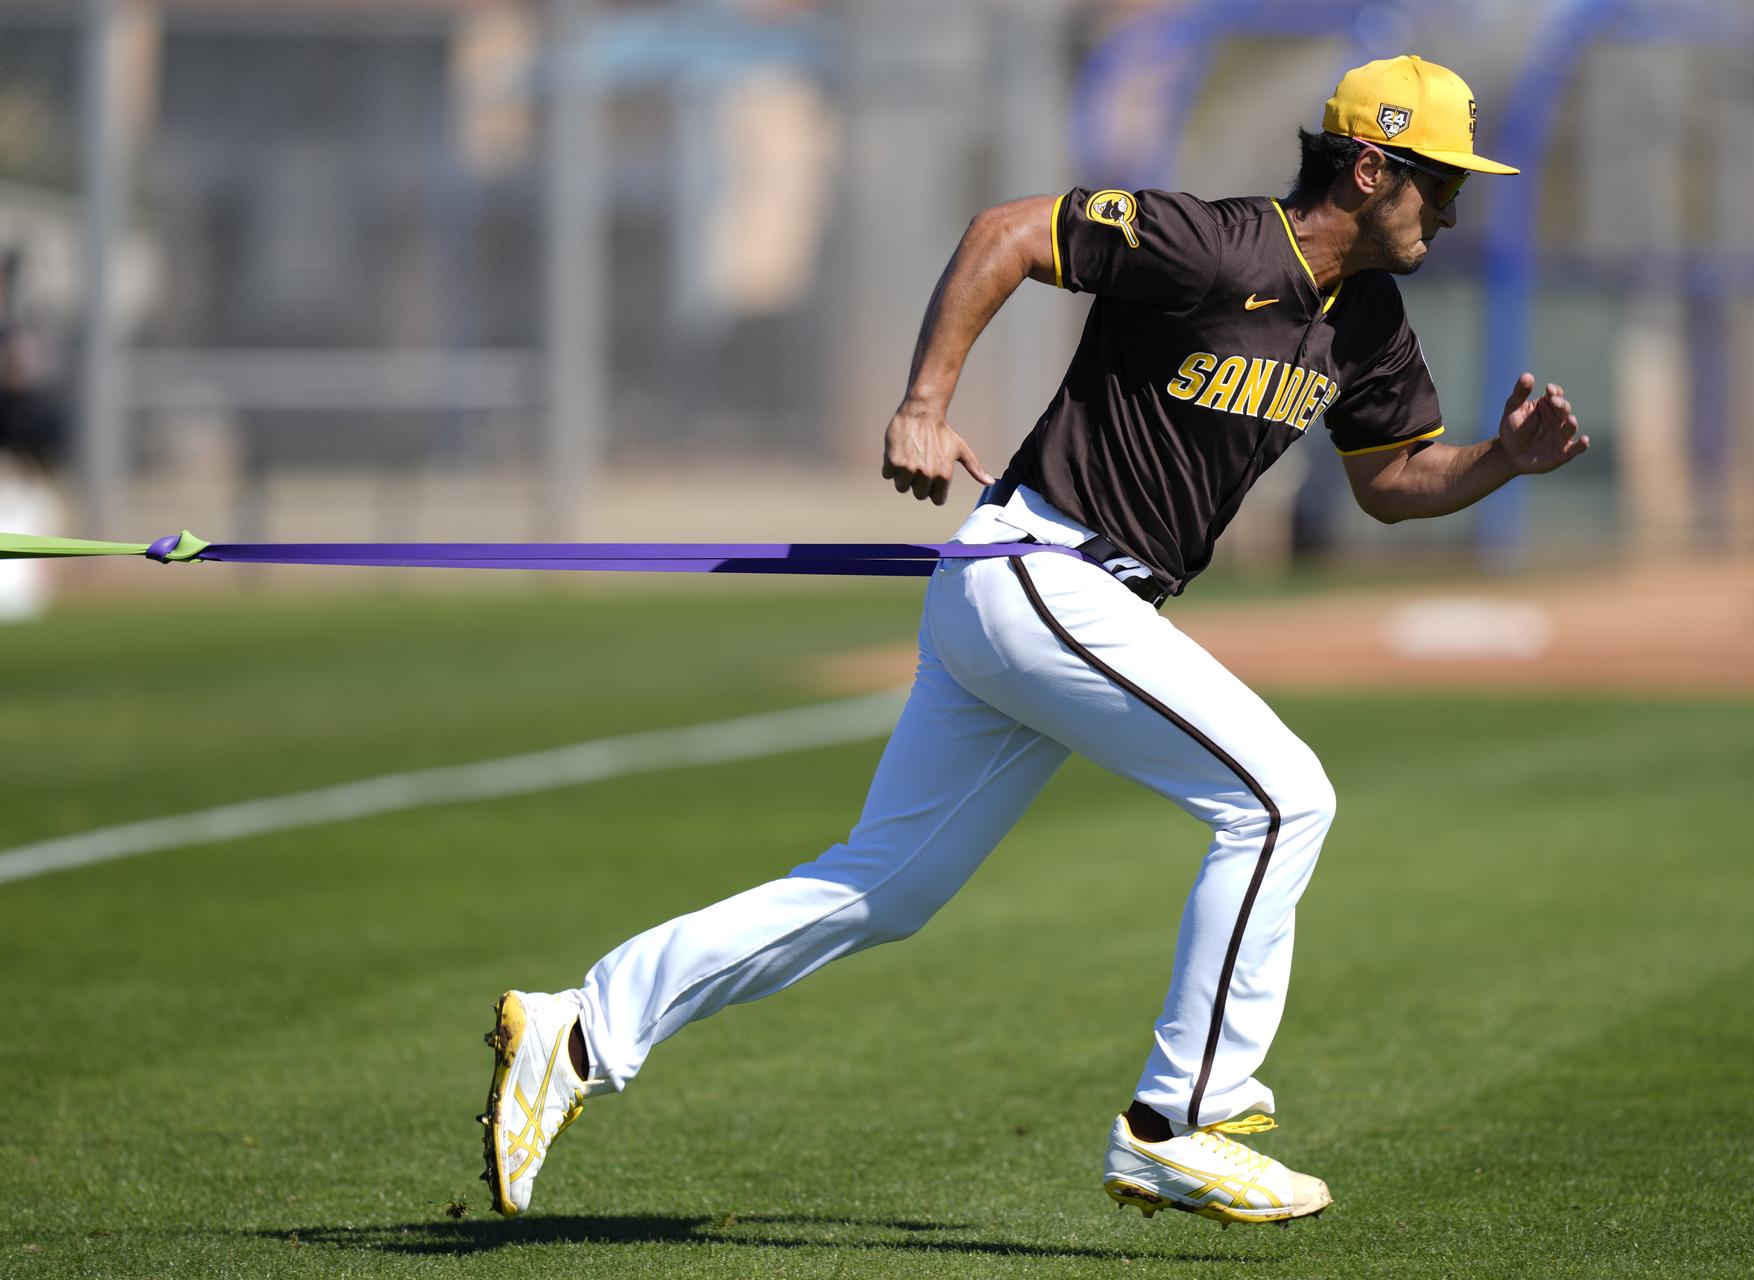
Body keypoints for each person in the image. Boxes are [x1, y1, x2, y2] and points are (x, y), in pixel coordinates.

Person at [478, 54, 1588, 1225]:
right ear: (1371, 169)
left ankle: (581, 1028)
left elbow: (1394, 480)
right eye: (1439, 180)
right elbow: (1007, 232)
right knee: (1278, 800)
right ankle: (1182, 1115)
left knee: (883, 889)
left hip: (1052, 604)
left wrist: (1503, 462)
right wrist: (923, 402)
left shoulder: (1365, 320)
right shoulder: (1215, 243)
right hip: (1044, 571)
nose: (1454, 205)